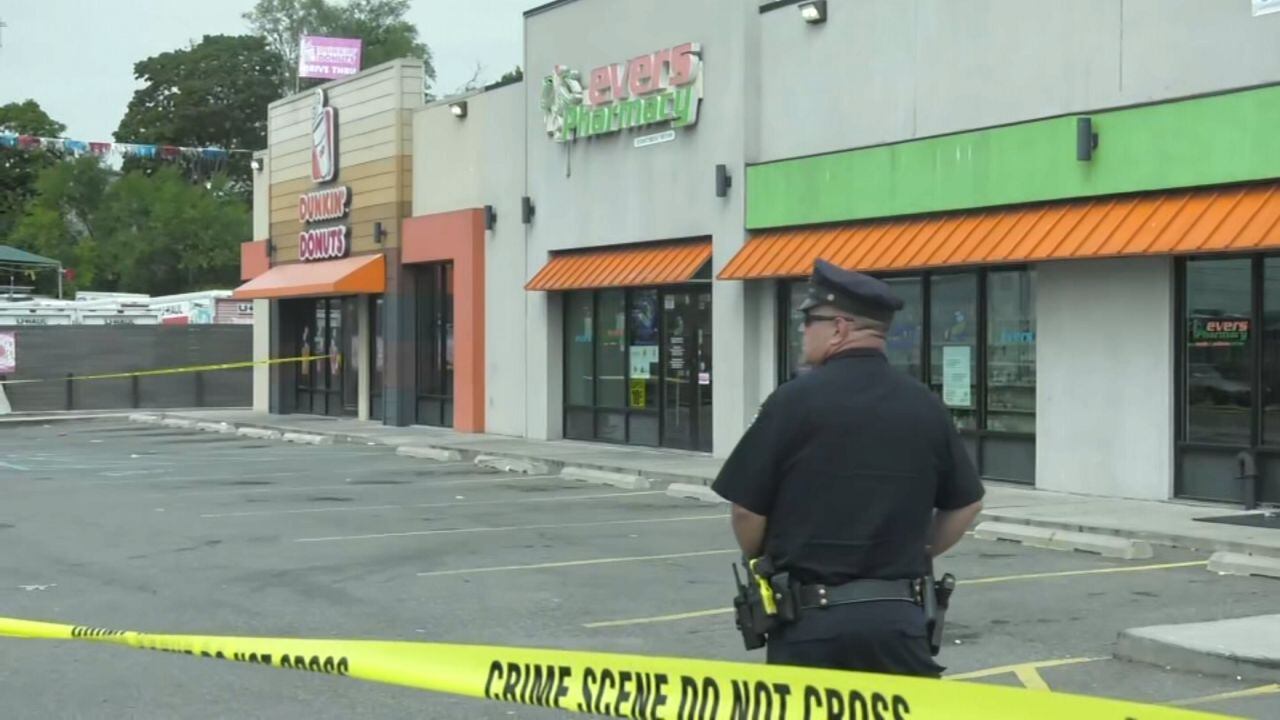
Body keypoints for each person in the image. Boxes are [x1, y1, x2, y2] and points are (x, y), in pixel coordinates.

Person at [712, 258, 985, 677]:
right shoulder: (926, 405)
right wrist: (921, 548)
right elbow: (967, 505)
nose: (802, 331)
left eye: (809, 321)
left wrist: (759, 559)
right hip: (899, 623)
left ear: (839, 328)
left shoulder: (792, 402)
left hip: (812, 623)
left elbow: (747, 511)